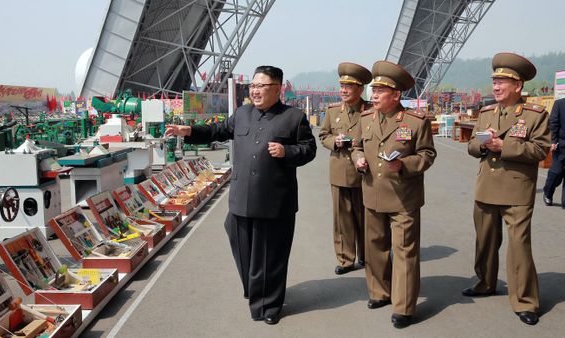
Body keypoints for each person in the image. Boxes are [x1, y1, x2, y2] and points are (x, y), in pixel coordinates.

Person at [165, 65, 317, 325]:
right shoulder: (242, 114)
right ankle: (256, 288)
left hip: (274, 201)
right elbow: (218, 131)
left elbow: (309, 149)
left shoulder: (294, 118)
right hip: (241, 199)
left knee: (271, 255)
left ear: (278, 89)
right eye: (253, 86)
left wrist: (286, 151)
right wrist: (189, 131)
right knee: (242, 246)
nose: (256, 91)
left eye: (262, 87)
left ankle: (269, 306)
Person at [464, 52, 550, 326]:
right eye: (495, 81)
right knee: (485, 242)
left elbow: (541, 149)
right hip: (486, 187)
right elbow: (471, 147)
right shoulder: (486, 113)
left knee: (519, 247)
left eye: (503, 82)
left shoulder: (535, 115)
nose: (496, 86)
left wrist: (505, 147)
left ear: (518, 86)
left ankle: (525, 300)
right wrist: (482, 144)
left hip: (516, 191)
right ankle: (485, 283)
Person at [351, 61, 436, 328]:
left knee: (404, 252)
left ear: (396, 95)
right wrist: (358, 158)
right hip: (372, 194)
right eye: (373, 90)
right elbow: (355, 146)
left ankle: (404, 306)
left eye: (379, 91)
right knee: (374, 248)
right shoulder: (365, 118)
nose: (373, 95)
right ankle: (379, 292)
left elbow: (427, 155)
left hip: (403, 198)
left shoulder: (415, 121)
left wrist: (404, 165)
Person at [319, 62, 372, 275]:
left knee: (366, 217)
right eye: (341, 86)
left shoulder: (370, 111)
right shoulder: (332, 112)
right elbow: (323, 135)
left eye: (348, 87)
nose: (343, 90)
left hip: (364, 172)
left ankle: (368, 256)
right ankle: (345, 259)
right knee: (342, 219)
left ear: (360, 89)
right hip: (339, 171)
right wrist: (335, 141)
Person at [542, 97, 565, 208]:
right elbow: (553, 124)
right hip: (560, 145)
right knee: (557, 172)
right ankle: (548, 192)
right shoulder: (559, 104)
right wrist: (553, 141)